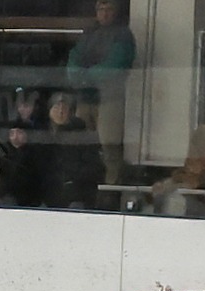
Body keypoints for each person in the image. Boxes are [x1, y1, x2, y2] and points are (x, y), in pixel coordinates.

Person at [66, 0, 136, 185]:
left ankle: (109, 192)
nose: (104, 13)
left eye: (109, 9)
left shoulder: (123, 35)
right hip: (85, 98)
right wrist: (78, 75)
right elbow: (73, 59)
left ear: (116, 12)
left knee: (109, 149)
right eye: (100, 9)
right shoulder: (88, 33)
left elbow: (116, 66)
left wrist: (85, 76)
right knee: (81, 147)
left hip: (109, 100)